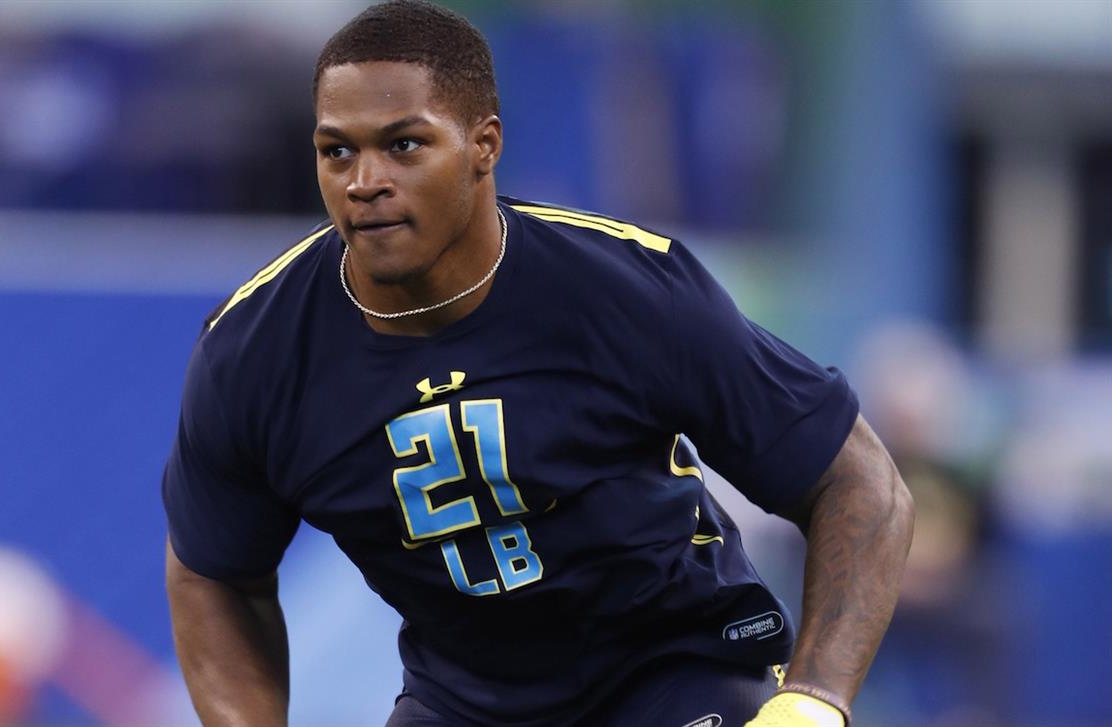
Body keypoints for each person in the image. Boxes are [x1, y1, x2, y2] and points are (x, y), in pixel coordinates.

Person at [162, 2, 914, 725]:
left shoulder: (626, 289)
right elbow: (213, 570)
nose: (365, 181)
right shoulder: (253, 350)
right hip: (465, 700)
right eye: (338, 151)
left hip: (672, 671)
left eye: (404, 144)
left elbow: (857, 478)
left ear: (484, 144)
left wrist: (815, 696)